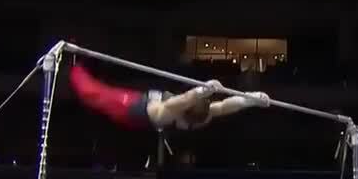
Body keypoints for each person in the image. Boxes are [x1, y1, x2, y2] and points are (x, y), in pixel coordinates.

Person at [69, 64, 269, 132]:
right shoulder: (203, 115)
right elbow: (226, 105)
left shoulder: (165, 114)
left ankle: (74, 68)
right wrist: (250, 99)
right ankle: (78, 67)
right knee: (95, 89)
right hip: (144, 99)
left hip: (129, 109)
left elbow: (181, 100)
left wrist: (202, 90)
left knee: (91, 93)